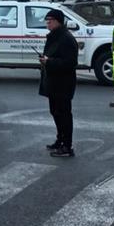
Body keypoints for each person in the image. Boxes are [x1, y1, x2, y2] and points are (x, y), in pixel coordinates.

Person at [39, 10, 79, 157]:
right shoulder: (55, 36)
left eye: (50, 20)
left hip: (63, 83)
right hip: (53, 82)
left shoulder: (66, 38)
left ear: (58, 21)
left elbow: (70, 63)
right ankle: (60, 139)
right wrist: (46, 60)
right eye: (46, 20)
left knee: (64, 115)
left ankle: (67, 146)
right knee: (55, 112)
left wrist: (49, 61)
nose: (47, 22)